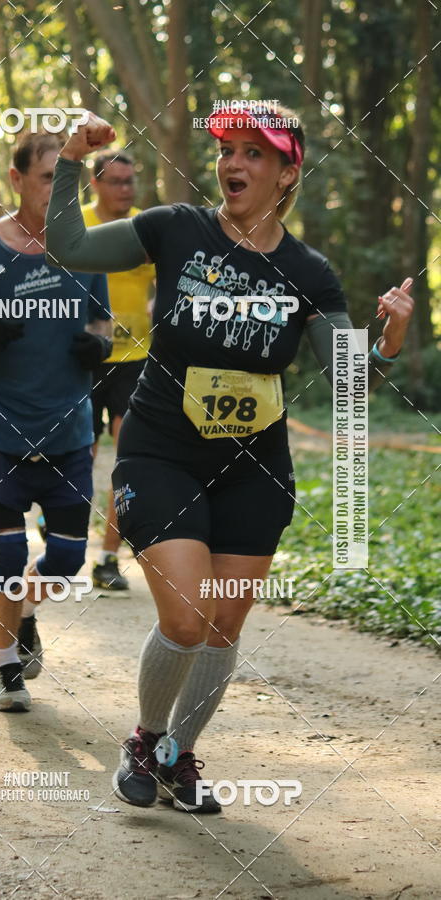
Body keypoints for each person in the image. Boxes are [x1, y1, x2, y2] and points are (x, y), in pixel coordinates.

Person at [45, 105, 414, 812]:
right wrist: (68, 162)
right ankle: (146, 740)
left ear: (287, 172)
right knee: (184, 619)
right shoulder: (175, 228)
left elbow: (348, 381)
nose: (233, 164)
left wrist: (386, 341)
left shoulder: (309, 270)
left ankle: (177, 759)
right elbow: (69, 246)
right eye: (228, 150)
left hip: (255, 467)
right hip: (160, 449)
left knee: (221, 624)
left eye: (254, 153)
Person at [0, 131, 111, 712]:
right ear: (16, 180)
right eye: (46, 178)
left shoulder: (86, 248)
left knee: (64, 561)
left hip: (69, 434)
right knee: (6, 556)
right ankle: (5, 668)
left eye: (69, 180)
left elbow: (104, 325)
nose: (60, 190)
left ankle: (26, 612)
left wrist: (99, 348)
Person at [82, 151, 155, 592]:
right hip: (84, 359)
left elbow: (171, 281)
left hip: (136, 361)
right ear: (95, 183)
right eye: (117, 182)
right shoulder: (77, 224)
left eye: (131, 181)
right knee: (80, 457)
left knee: (127, 463)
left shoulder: (149, 227)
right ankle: (61, 527)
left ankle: (108, 559)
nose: (126, 190)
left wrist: (158, 309)